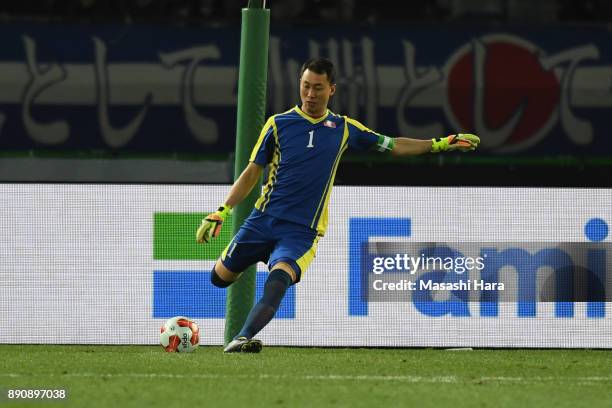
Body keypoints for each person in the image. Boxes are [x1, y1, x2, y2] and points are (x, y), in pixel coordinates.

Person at [196, 57, 480, 353]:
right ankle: (243, 278)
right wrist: (222, 210)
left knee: (280, 278)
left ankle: (243, 337)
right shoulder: (278, 124)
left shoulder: (343, 128)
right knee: (219, 279)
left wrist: (439, 143)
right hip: (262, 220)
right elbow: (253, 170)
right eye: (305, 86)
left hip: (301, 231)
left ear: (331, 89)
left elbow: (394, 145)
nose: (310, 94)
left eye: (318, 88)